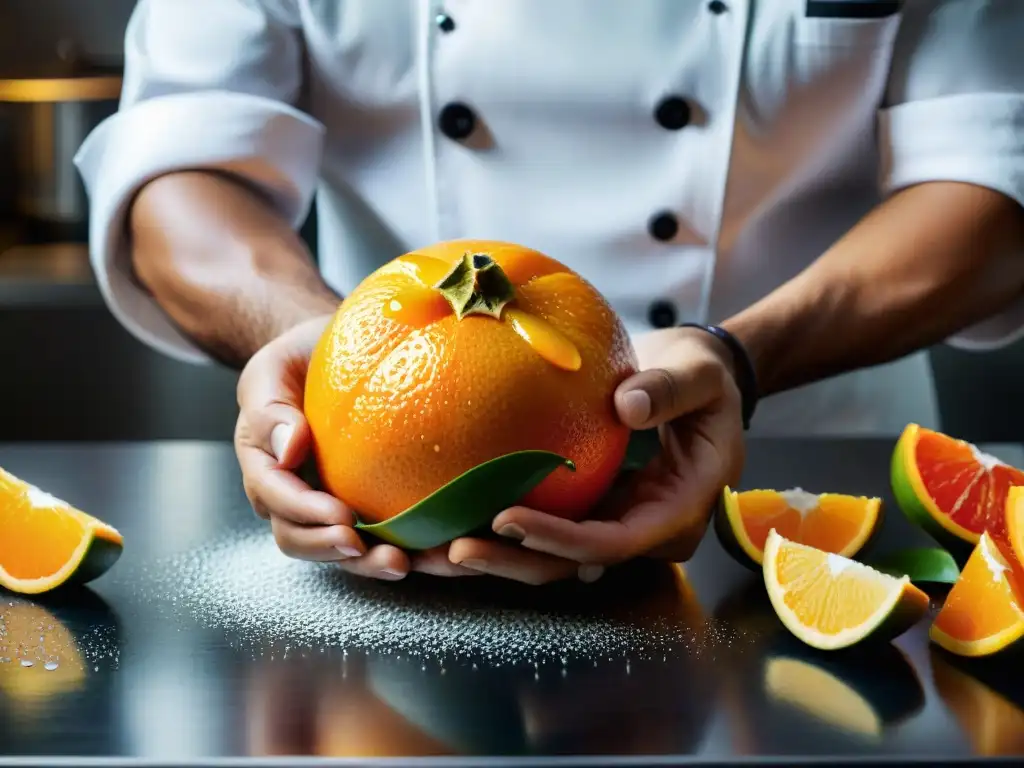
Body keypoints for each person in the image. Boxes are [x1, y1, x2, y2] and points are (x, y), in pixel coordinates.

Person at [76, 0, 1024, 585]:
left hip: (810, 507)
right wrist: (327, 350)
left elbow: (993, 177)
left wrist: (742, 357)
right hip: (381, 505)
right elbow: (184, 162)